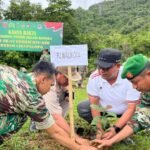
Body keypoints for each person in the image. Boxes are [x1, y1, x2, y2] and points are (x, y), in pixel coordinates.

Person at [0, 61, 96, 150]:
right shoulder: (32, 97)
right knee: (22, 117)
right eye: (50, 85)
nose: (50, 89)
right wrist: (80, 148)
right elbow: (55, 132)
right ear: (43, 80)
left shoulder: (15, 73)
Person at [77, 48, 140, 140]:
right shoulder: (95, 77)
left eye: (106, 68)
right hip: (104, 108)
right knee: (83, 107)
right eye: (99, 67)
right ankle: (105, 129)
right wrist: (99, 129)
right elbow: (94, 105)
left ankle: (122, 133)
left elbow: (131, 108)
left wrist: (115, 129)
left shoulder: (129, 78)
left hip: (125, 110)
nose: (102, 71)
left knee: (138, 113)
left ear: (118, 66)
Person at [91, 54, 150, 149]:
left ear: (148, 74)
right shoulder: (147, 92)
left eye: (136, 82)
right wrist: (111, 141)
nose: (134, 87)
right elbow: (141, 117)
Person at [30, 66, 84, 144]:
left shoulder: (62, 82)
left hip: (54, 106)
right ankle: (37, 122)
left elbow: (68, 93)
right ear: (59, 74)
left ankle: (60, 125)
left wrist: (69, 92)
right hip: (38, 106)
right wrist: (75, 137)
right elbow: (56, 116)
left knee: (69, 98)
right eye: (67, 78)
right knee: (54, 117)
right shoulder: (49, 84)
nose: (69, 82)